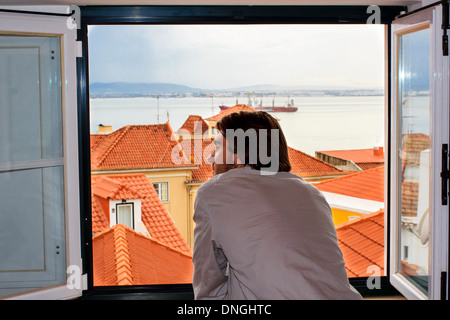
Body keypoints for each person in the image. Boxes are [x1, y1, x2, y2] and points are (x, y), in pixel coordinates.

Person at [192, 111, 362, 300]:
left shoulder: (213, 193)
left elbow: (209, 287)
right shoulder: (311, 193)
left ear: (239, 156)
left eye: (217, 147)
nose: (210, 158)